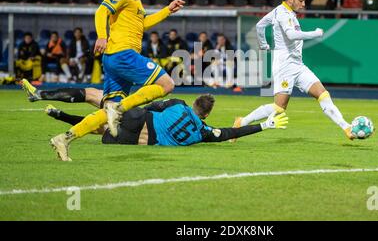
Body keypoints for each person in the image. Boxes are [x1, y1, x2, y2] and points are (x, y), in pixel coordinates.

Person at [49, 0, 185, 161]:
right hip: (123, 54)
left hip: (115, 59)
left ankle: (64, 139)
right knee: (167, 84)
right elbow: (101, 11)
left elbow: (143, 24)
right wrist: (102, 37)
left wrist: (167, 10)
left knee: (107, 113)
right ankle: (120, 108)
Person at [235, 0, 356, 140]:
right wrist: (315, 33)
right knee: (279, 107)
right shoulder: (284, 14)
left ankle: (346, 127)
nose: (303, 4)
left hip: (297, 64)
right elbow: (291, 35)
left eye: (304, 0)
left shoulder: (280, 11)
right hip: (284, 65)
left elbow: (260, 25)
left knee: (323, 94)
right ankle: (241, 123)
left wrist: (264, 45)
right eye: (301, 0)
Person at [22, 85, 288, 151]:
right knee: (100, 131)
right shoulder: (204, 132)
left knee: (100, 105)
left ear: (195, 104)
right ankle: (61, 117)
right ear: (206, 114)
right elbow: (231, 133)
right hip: (143, 140)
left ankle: (54, 105)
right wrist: (265, 125)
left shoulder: (178, 103)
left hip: (139, 118)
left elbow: (153, 105)